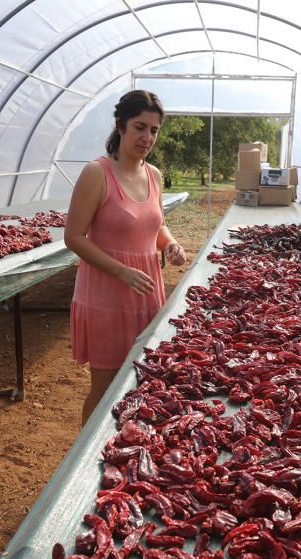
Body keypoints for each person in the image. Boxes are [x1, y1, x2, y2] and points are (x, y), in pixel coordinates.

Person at [64, 90, 186, 426]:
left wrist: (171, 244)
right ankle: (85, 461)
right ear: (120, 126)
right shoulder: (97, 173)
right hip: (105, 297)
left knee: (142, 379)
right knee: (104, 386)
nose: (147, 137)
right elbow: (73, 236)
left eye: (154, 130)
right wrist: (121, 272)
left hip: (146, 294)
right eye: (139, 127)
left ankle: (126, 446)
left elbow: (154, 227)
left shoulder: (154, 176)